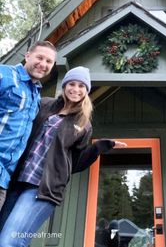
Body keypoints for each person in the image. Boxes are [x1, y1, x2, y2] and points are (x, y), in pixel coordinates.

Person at [0, 66, 127, 247]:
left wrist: (98, 147)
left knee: (10, 241)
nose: (75, 89)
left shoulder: (83, 124)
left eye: (81, 86)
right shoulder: (44, 104)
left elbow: (75, 162)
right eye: (72, 84)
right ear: (65, 85)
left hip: (43, 188)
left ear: (86, 91)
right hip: (17, 180)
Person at [0, 41, 57, 211]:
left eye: (49, 61)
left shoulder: (35, 95)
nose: (43, 64)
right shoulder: (5, 74)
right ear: (27, 56)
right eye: (40, 57)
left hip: (4, 178)